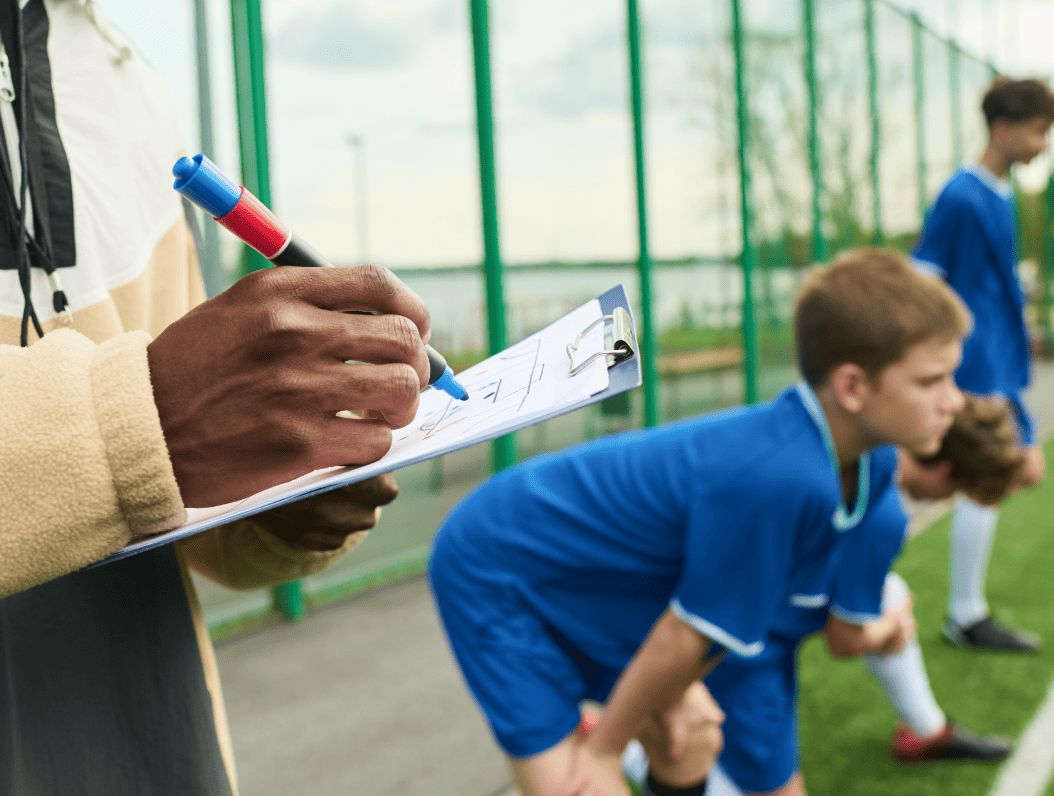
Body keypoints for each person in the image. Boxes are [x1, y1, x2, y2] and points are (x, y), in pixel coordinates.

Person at [0, 3, 430, 793]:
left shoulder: (124, 83)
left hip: (157, 740)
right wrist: (139, 421)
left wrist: (277, 498)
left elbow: (173, 491)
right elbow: (145, 427)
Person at [428, 247, 970, 796]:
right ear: (852, 386)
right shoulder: (782, 477)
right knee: (582, 784)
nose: (954, 401)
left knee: (691, 735)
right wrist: (605, 751)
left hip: (615, 579)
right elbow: (686, 635)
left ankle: (633, 741)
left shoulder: (868, 461)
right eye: (932, 382)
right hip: (495, 565)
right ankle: (601, 740)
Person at [613, 393, 1025, 796]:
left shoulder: (857, 462)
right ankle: (625, 748)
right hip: (747, 651)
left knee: (889, 592)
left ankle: (926, 731)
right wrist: (889, 630)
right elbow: (844, 642)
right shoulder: (883, 512)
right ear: (945, 470)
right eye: (955, 492)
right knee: (721, 764)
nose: (947, 500)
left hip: (725, 622)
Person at [913, 76, 1054, 652]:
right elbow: (924, 278)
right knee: (991, 477)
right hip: (974, 368)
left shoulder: (996, 193)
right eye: (1040, 131)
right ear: (1004, 128)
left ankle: (964, 611)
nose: (1044, 144)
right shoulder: (961, 196)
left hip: (1000, 362)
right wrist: (939, 363)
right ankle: (964, 614)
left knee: (1017, 471)